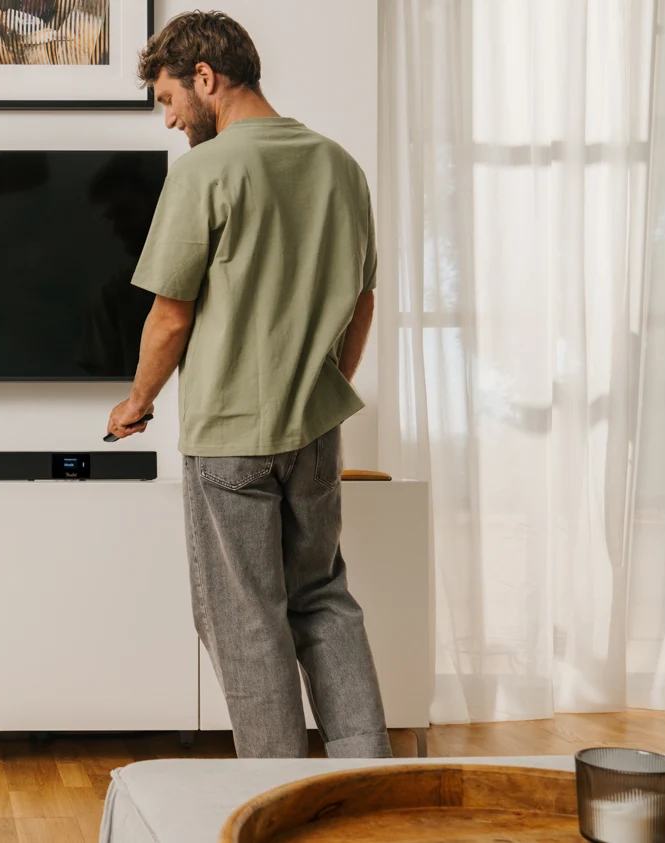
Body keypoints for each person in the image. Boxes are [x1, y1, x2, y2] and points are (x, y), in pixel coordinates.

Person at [104, 10, 390, 759]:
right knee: (323, 599)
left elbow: (170, 315)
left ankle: (276, 789)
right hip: (315, 431)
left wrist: (137, 402)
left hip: (230, 437)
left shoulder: (205, 171)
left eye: (170, 100)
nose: (170, 120)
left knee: (244, 617)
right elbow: (362, 301)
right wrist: (323, 384)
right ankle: (365, 775)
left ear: (205, 77)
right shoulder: (340, 165)